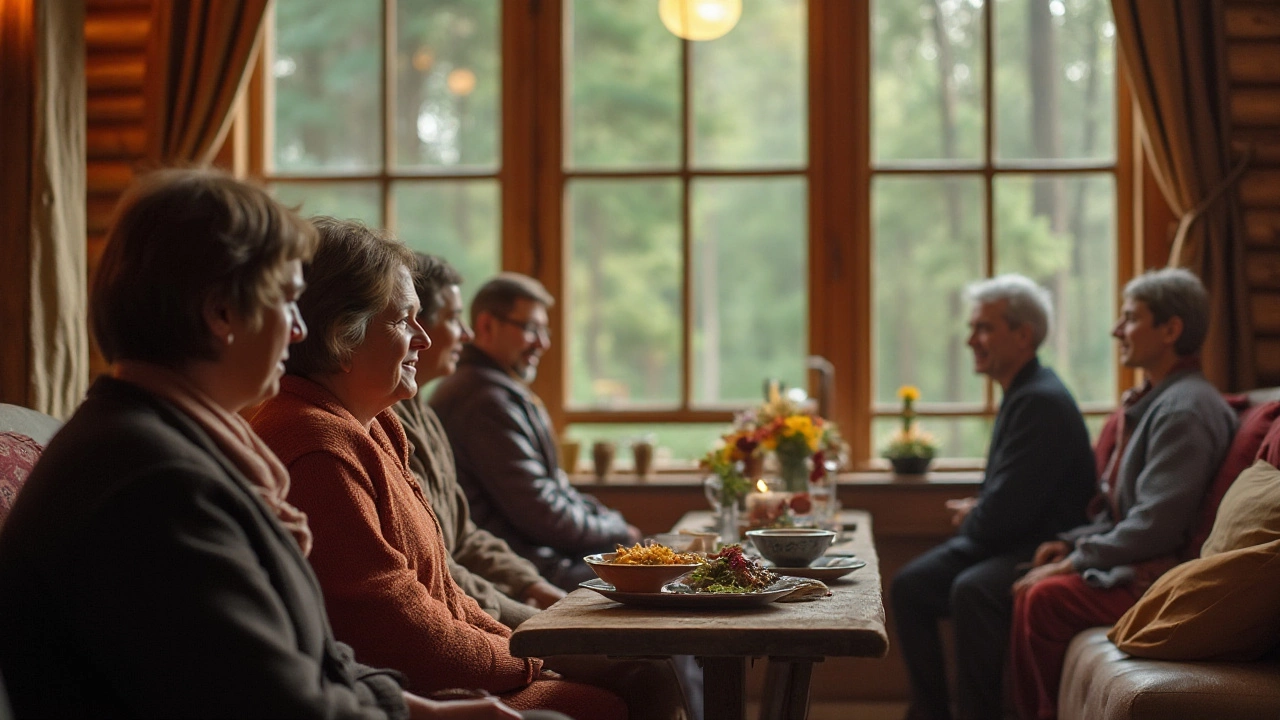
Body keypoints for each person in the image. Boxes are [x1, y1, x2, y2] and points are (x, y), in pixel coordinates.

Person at [0, 169, 528, 719]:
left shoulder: (169, 443)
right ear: (221, 312)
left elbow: (308, 660)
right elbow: (274, 702)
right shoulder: (152, 479)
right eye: (285, 301)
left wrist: (422, 709)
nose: (301, 331)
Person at [250, 219, 628, 719]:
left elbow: (445, 591)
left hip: (429, 672)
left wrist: (523, 649)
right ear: (343, 335)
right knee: (621, 691)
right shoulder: (318, 445)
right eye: (405, 320)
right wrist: (531, 658)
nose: (423, 339)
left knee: (638, 673)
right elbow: (398, 633)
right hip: (401, 692)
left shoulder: (377, 423)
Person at [1009, 267, 1237, 720]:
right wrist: (1073, 543)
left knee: (1043, 598)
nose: (1117, 331)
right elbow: (1124, 512)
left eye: (1130, 318)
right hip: (1141, 559)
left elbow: (1157, 525)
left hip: (1164, 576)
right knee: (1030, 580)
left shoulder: (1185, 409)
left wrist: (1075, 562)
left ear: (1171, 329)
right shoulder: (1156, 400)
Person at [891, 274, 1097, 720]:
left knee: (972, 590)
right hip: (1012, 536)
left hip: (1040, 546)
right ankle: (929, 713)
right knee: (909, 587)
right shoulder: (1023, 391)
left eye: (983, 328)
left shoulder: (1040, 400)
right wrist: (982, 508)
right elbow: (1012, 494)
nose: (970, 341)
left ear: (1023, 335)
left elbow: (1005, 516)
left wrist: (977, 514)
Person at [430, 273, 641, 590]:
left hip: (542, 559)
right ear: (487, 325)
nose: (543, 343)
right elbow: (542, 514)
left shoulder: (499, 390)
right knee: (653, 570)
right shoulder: (484, 401)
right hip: (525, 572)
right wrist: (618, 531)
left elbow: (554, 490)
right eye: (530, 328)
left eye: (545, 330)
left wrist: (610, 522)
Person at [394, 253, 565, 629]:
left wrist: (532, 584)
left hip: (486, 592)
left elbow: (464, 534)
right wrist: (530, 611)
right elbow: (437, 564)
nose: (467, 334)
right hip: (460, 609)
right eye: (454, 319)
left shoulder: (425, 415)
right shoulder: (472, 400)